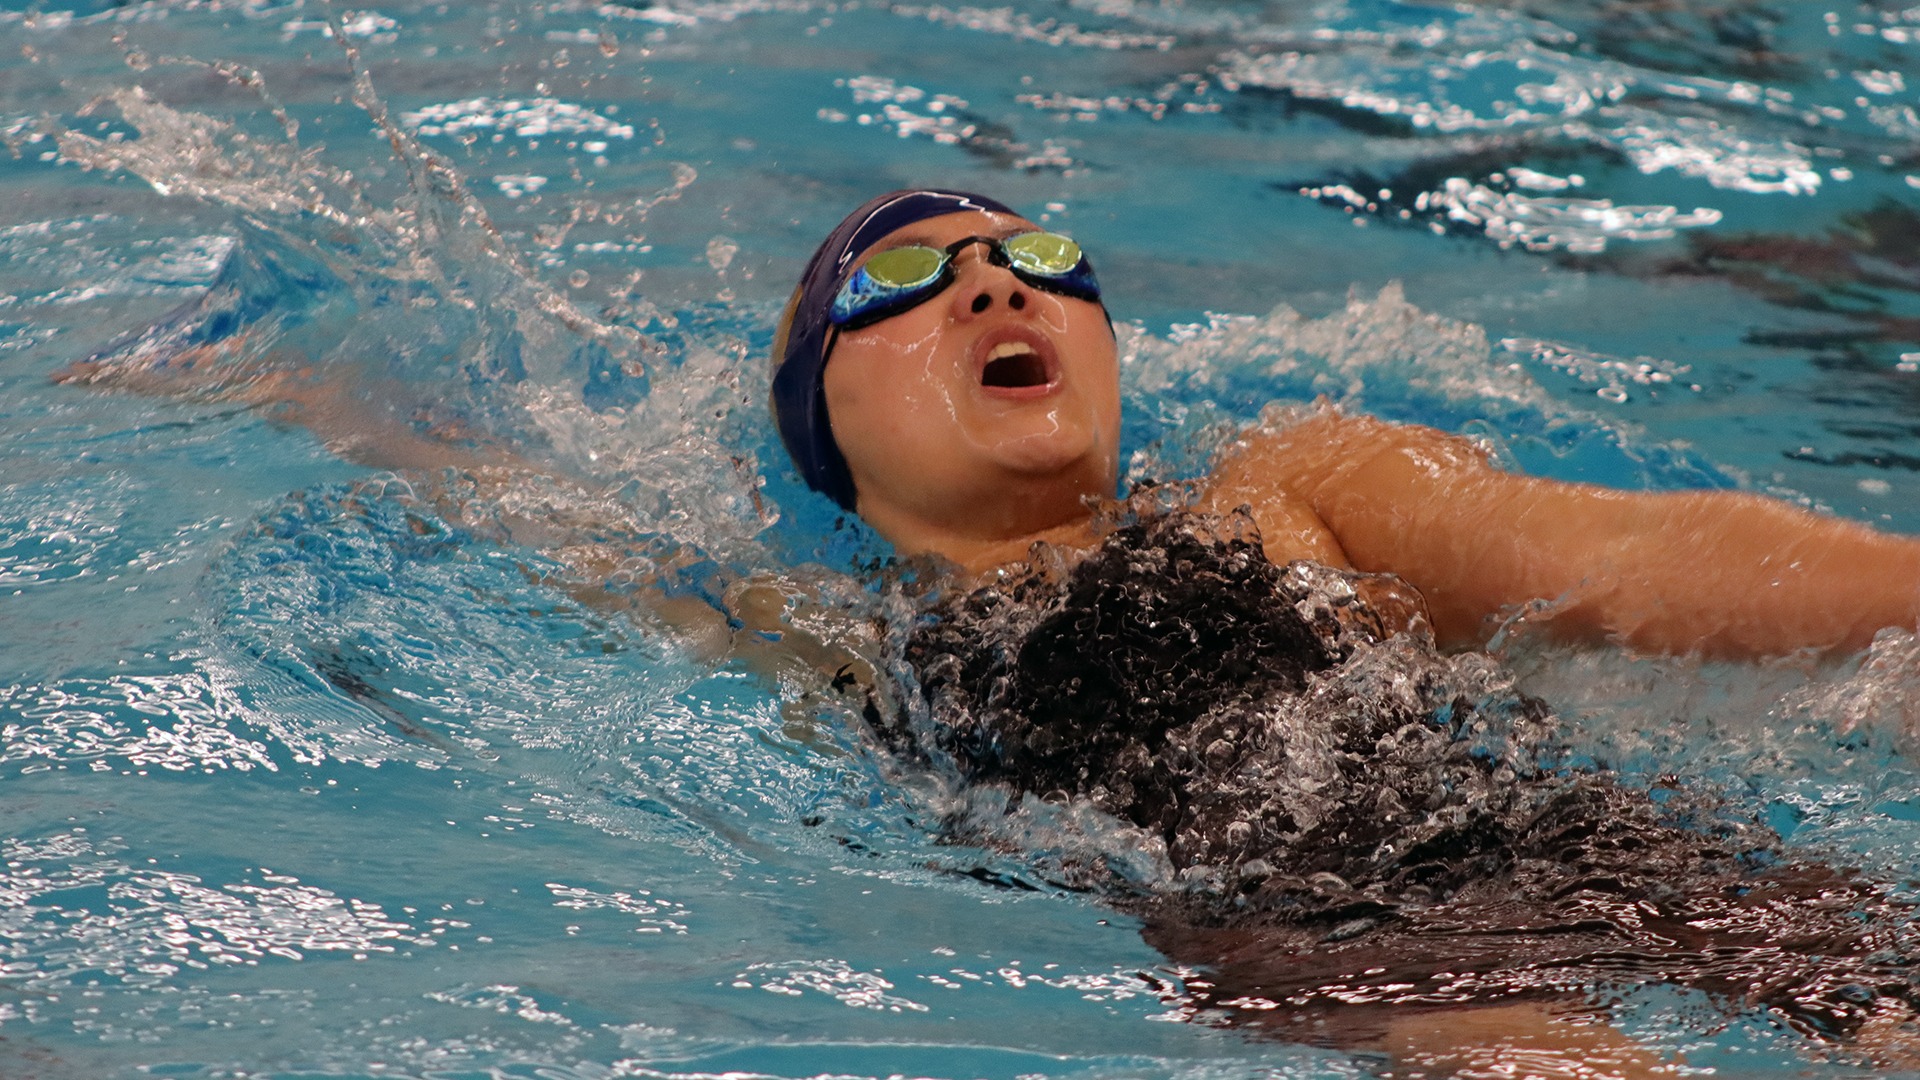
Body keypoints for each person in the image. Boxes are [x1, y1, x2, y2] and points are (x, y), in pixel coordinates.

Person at [768, 189, 1920, 1076]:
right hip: (1311, 932)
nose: (996, 288)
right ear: (824, 414)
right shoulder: (829, 637)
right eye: (906, 278)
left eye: (1042, 261)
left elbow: (1611, 561)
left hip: (1562, 836)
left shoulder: (1286, 484)